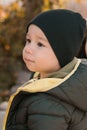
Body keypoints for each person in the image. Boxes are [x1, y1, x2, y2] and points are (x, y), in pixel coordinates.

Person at [3, 9, 87, 130]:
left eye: (40, 44)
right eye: (28, 40)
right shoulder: (43, 79)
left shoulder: (48, 106)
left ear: (63, 52)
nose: (28, 49)